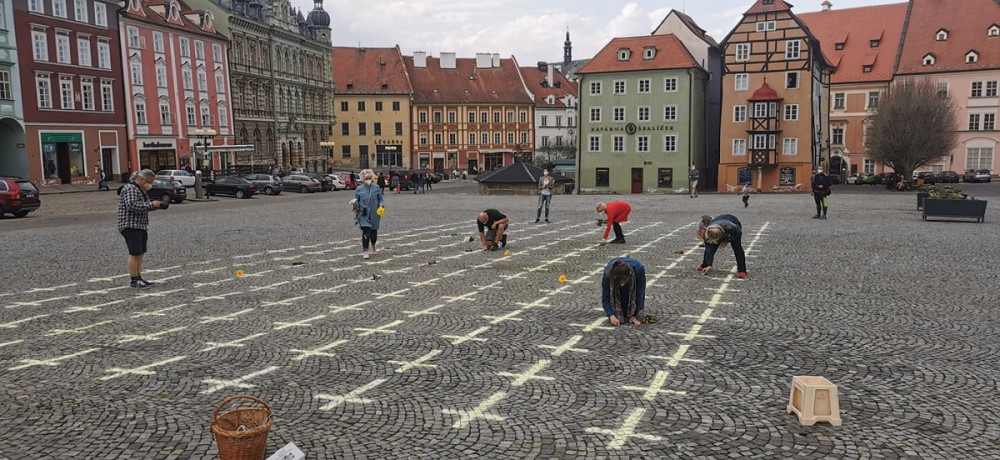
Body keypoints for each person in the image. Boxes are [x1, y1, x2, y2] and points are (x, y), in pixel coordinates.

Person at [117, 169, 166, 288]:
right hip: (131, 225)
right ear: (142, 179)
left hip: (140, 226)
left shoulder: (140, 189)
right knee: (134, 253)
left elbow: (143, 206)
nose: (150, 185)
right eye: (149, 182)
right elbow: (132, 205)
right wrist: (152, 204)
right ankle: (134, 280)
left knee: (140, 253)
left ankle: (138, 277)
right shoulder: (131, 188)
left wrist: (157, 205)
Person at [697, 214, 747, 279]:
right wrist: (709, 265)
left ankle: (742, 270)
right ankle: (705, 264)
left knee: (737, 248)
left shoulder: (733, 228)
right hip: (719, 221)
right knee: (709, 247)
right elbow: (709, 249)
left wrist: (726, 241)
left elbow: (737, 234)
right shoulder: (709, 232)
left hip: (733, 222)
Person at [601, 258, 646, 326]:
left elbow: (639, 293)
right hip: (616, 275)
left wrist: (634, 315)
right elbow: (605, 295)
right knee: (620, 310)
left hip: (634, 273)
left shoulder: (639, 270)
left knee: (626, 309)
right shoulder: (608, 272)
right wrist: (611, 315)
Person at [354, 169, 385, 260]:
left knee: (373, 233)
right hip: (363, 214)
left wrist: (381, 205)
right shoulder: (359, 189)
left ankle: (373, 246)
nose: (368, 179)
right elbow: (356, 200)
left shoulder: (376, 188)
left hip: (374, 213)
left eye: (369, 178)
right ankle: (365, 250)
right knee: (366, 231)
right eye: (366, 178)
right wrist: (355, 208)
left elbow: (380, 199)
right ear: (363, 179)